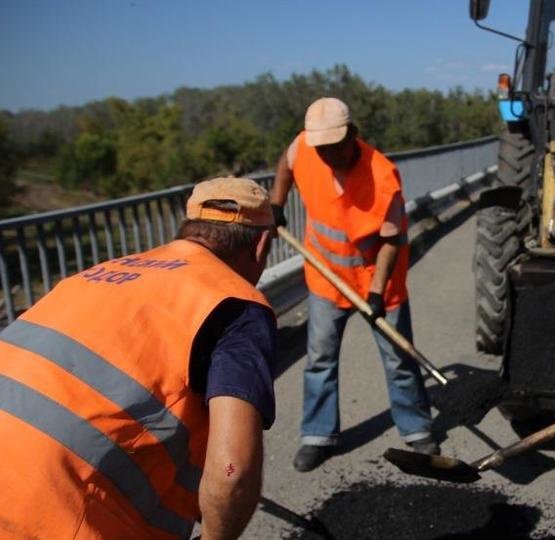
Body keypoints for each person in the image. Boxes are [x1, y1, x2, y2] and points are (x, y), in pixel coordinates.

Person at [0, 177, 278, 539]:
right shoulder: (235, 305)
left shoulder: (99, 272)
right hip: (57, 514)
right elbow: (233, 471)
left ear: (188, 229)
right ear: (261, 244)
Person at [269, 97, 437, 473]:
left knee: (399, 359)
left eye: (335, 147)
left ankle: (416, 430)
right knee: (320, 360)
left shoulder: (382, 175)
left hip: (377, 281)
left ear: (353, 136)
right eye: (322, 148)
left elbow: (392, 240)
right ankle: (317, 436)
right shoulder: (305, 147)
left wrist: (376, 291)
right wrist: (276, 202)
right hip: (326, 277)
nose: (327, 155)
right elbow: (285, 164)